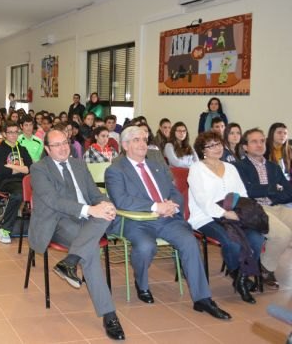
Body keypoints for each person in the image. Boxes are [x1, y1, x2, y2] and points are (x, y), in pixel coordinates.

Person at [105, 126, 231, 320]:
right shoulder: (115, 169)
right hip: (136, 221)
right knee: (146, 246)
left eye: (144, 140)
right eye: (136, 140)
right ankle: (141, 282)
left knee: (190, 242)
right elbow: (121, 200)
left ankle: (202, 298)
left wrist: (174, 206)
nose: (142, 144)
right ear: (125, 145)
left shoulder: (156, 162)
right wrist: (156, 206)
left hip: (167, 219)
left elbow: (173, 191)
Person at [30, 129, 124, 340]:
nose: (63, 148)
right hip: (58, 221)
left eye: (65, 142)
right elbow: (54, 201)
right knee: (90, 251)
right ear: (47, 149)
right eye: (56, 145)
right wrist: (90, 210)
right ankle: (109, 315)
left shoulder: (79, 165)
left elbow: (94, 194)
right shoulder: (39, 169)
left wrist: (104, 203)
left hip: (87, 220)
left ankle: (71, 261)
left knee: (105, 213)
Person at [187, 131, 265, 304]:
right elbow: (202, 201)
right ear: (203, 150)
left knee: (257, 239)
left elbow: (242, 194)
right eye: (211, 145)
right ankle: (238, 275)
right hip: (206, 217)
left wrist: (239, 212)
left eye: (218, 144)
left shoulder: (230, 168)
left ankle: (241, 279)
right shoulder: (196, 169)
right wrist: (224, 213)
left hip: (234, 215)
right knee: (232, 242)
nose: (217, 148)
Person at [234, 128, 292, 290]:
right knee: (283, 234)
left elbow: (288, 193)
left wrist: (271, 192)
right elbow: (248, 192)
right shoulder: (239, 167)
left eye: (261, 141)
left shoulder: (274, 167)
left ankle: (265, 265)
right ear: (245, 147)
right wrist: (274, 188)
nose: (259, 145)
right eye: (254, 141)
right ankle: (266, 268)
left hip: (277, 206)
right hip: (256, 209)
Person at [0, 121, 32, 244]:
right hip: (6, 182)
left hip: (24, 181)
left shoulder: (23, 149)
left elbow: (30, 168)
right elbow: (1, 171)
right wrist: (22, 169)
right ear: (4, 134)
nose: (14, 135)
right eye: (10, 132)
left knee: (45, 191)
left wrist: (11, 167)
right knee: (19, 194)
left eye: (16, 132)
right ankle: (4, 228)